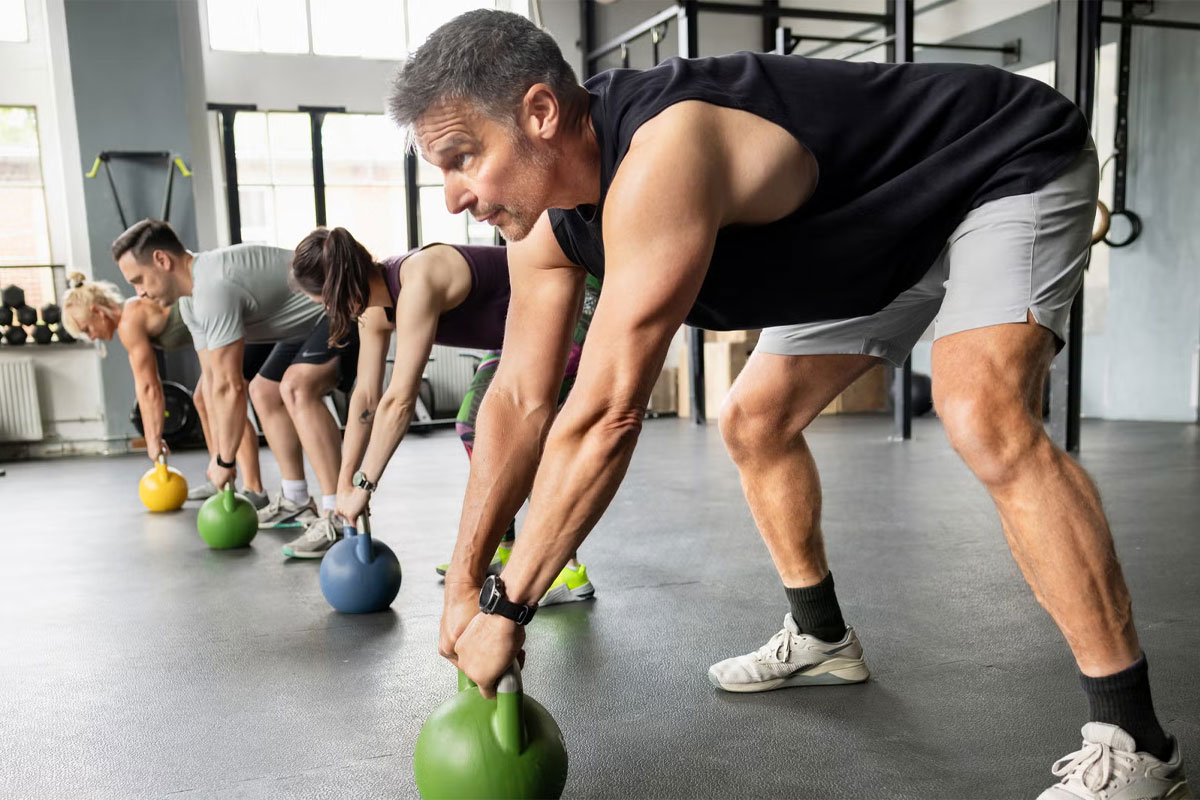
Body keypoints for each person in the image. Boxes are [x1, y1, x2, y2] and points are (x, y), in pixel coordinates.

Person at [387, 10, 1189, 798]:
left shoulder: (665, 149)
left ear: (540, 112)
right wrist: (465, 585)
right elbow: (517, 399)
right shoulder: (545, 229)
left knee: (981, 411)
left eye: (464, 159)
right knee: (754, 420)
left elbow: (604, 415)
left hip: (995, 161)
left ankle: (1136, 744)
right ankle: (821, 637)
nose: (454, 198)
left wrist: (508, 607)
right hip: (871, 243)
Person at [286, 226, 596, 607]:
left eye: (321, 302)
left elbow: (400, 401)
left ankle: (565, 568)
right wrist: (345, 485)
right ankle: (506, 545)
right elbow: (365, 397)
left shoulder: (417, 282)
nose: (326, 311)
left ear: (334, 294)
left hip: (571, 300)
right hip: (522, 329)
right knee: (476, 425)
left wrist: (366, 484)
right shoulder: (374, 309)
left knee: (520, 432)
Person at [111, 219, 358, 532]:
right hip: (302, 327)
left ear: (162, 260)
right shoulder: (190, 302)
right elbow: (214, 381)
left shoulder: (213, 287)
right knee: (263, 392)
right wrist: (219, 455)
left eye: (139, 280)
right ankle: (296, 498)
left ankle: (337, 513)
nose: (140, 293)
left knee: (296, 388)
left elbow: (229, 387)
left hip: (341, 308)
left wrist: (225, 461)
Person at [61, 272, 267, 506]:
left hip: (231, 324)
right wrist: (152, 436)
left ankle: (254, 488)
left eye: (87, 329)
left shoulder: (130, 321)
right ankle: (218, 476)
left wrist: (153, 440)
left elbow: (150, 387)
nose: (91, 336)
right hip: (214, 332)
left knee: (222, 400)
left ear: (98, 312)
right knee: (202, 398)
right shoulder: (129, 317)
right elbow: (145, 385)